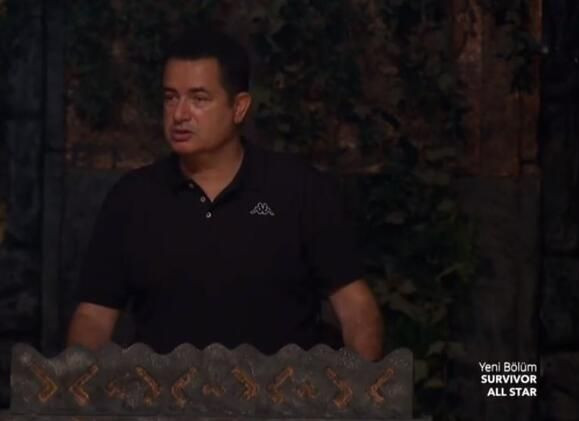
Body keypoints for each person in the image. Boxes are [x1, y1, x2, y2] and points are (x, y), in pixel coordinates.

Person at [66, 28, 383, 361]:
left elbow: (356, 309)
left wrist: (356, 386)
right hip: (163, 391)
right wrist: (80, 381)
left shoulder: (298, 188)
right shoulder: (133, 198)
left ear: (239, 107)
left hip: (281, 391)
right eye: (171, 97)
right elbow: (93, 317)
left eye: (199, 99)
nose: (179, 114)